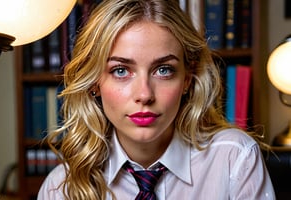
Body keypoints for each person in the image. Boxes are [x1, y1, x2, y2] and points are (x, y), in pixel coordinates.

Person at [37, 0, 275, 199]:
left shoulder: (234, 159)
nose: (144, 95)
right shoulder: (60, 189)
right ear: (94, 83)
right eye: (120, 70)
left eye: (163, 70)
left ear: (187, 79)